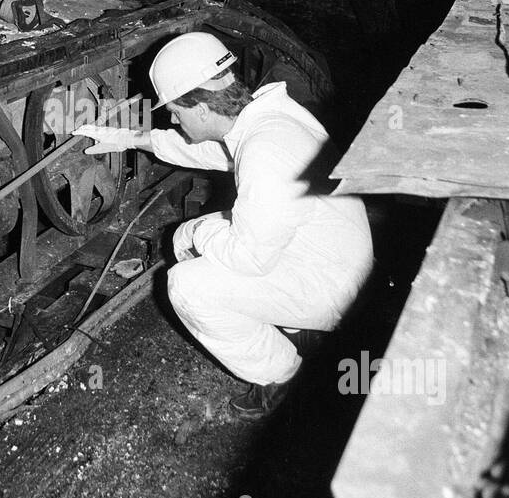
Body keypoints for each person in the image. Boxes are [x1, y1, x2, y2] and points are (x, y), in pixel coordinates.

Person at [74, 31, 373, 420]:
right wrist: (132, 139)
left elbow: (250, 259)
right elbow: (214, 149)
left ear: (200, 108)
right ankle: (290, 323)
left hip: (333, 287)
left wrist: (202, 233)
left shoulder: (265, 152)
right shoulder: (265, 118)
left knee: (186, 285)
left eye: (176, 113)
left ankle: (282, 375)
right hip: (324, 251)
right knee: (183, 238)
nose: (174, 121)